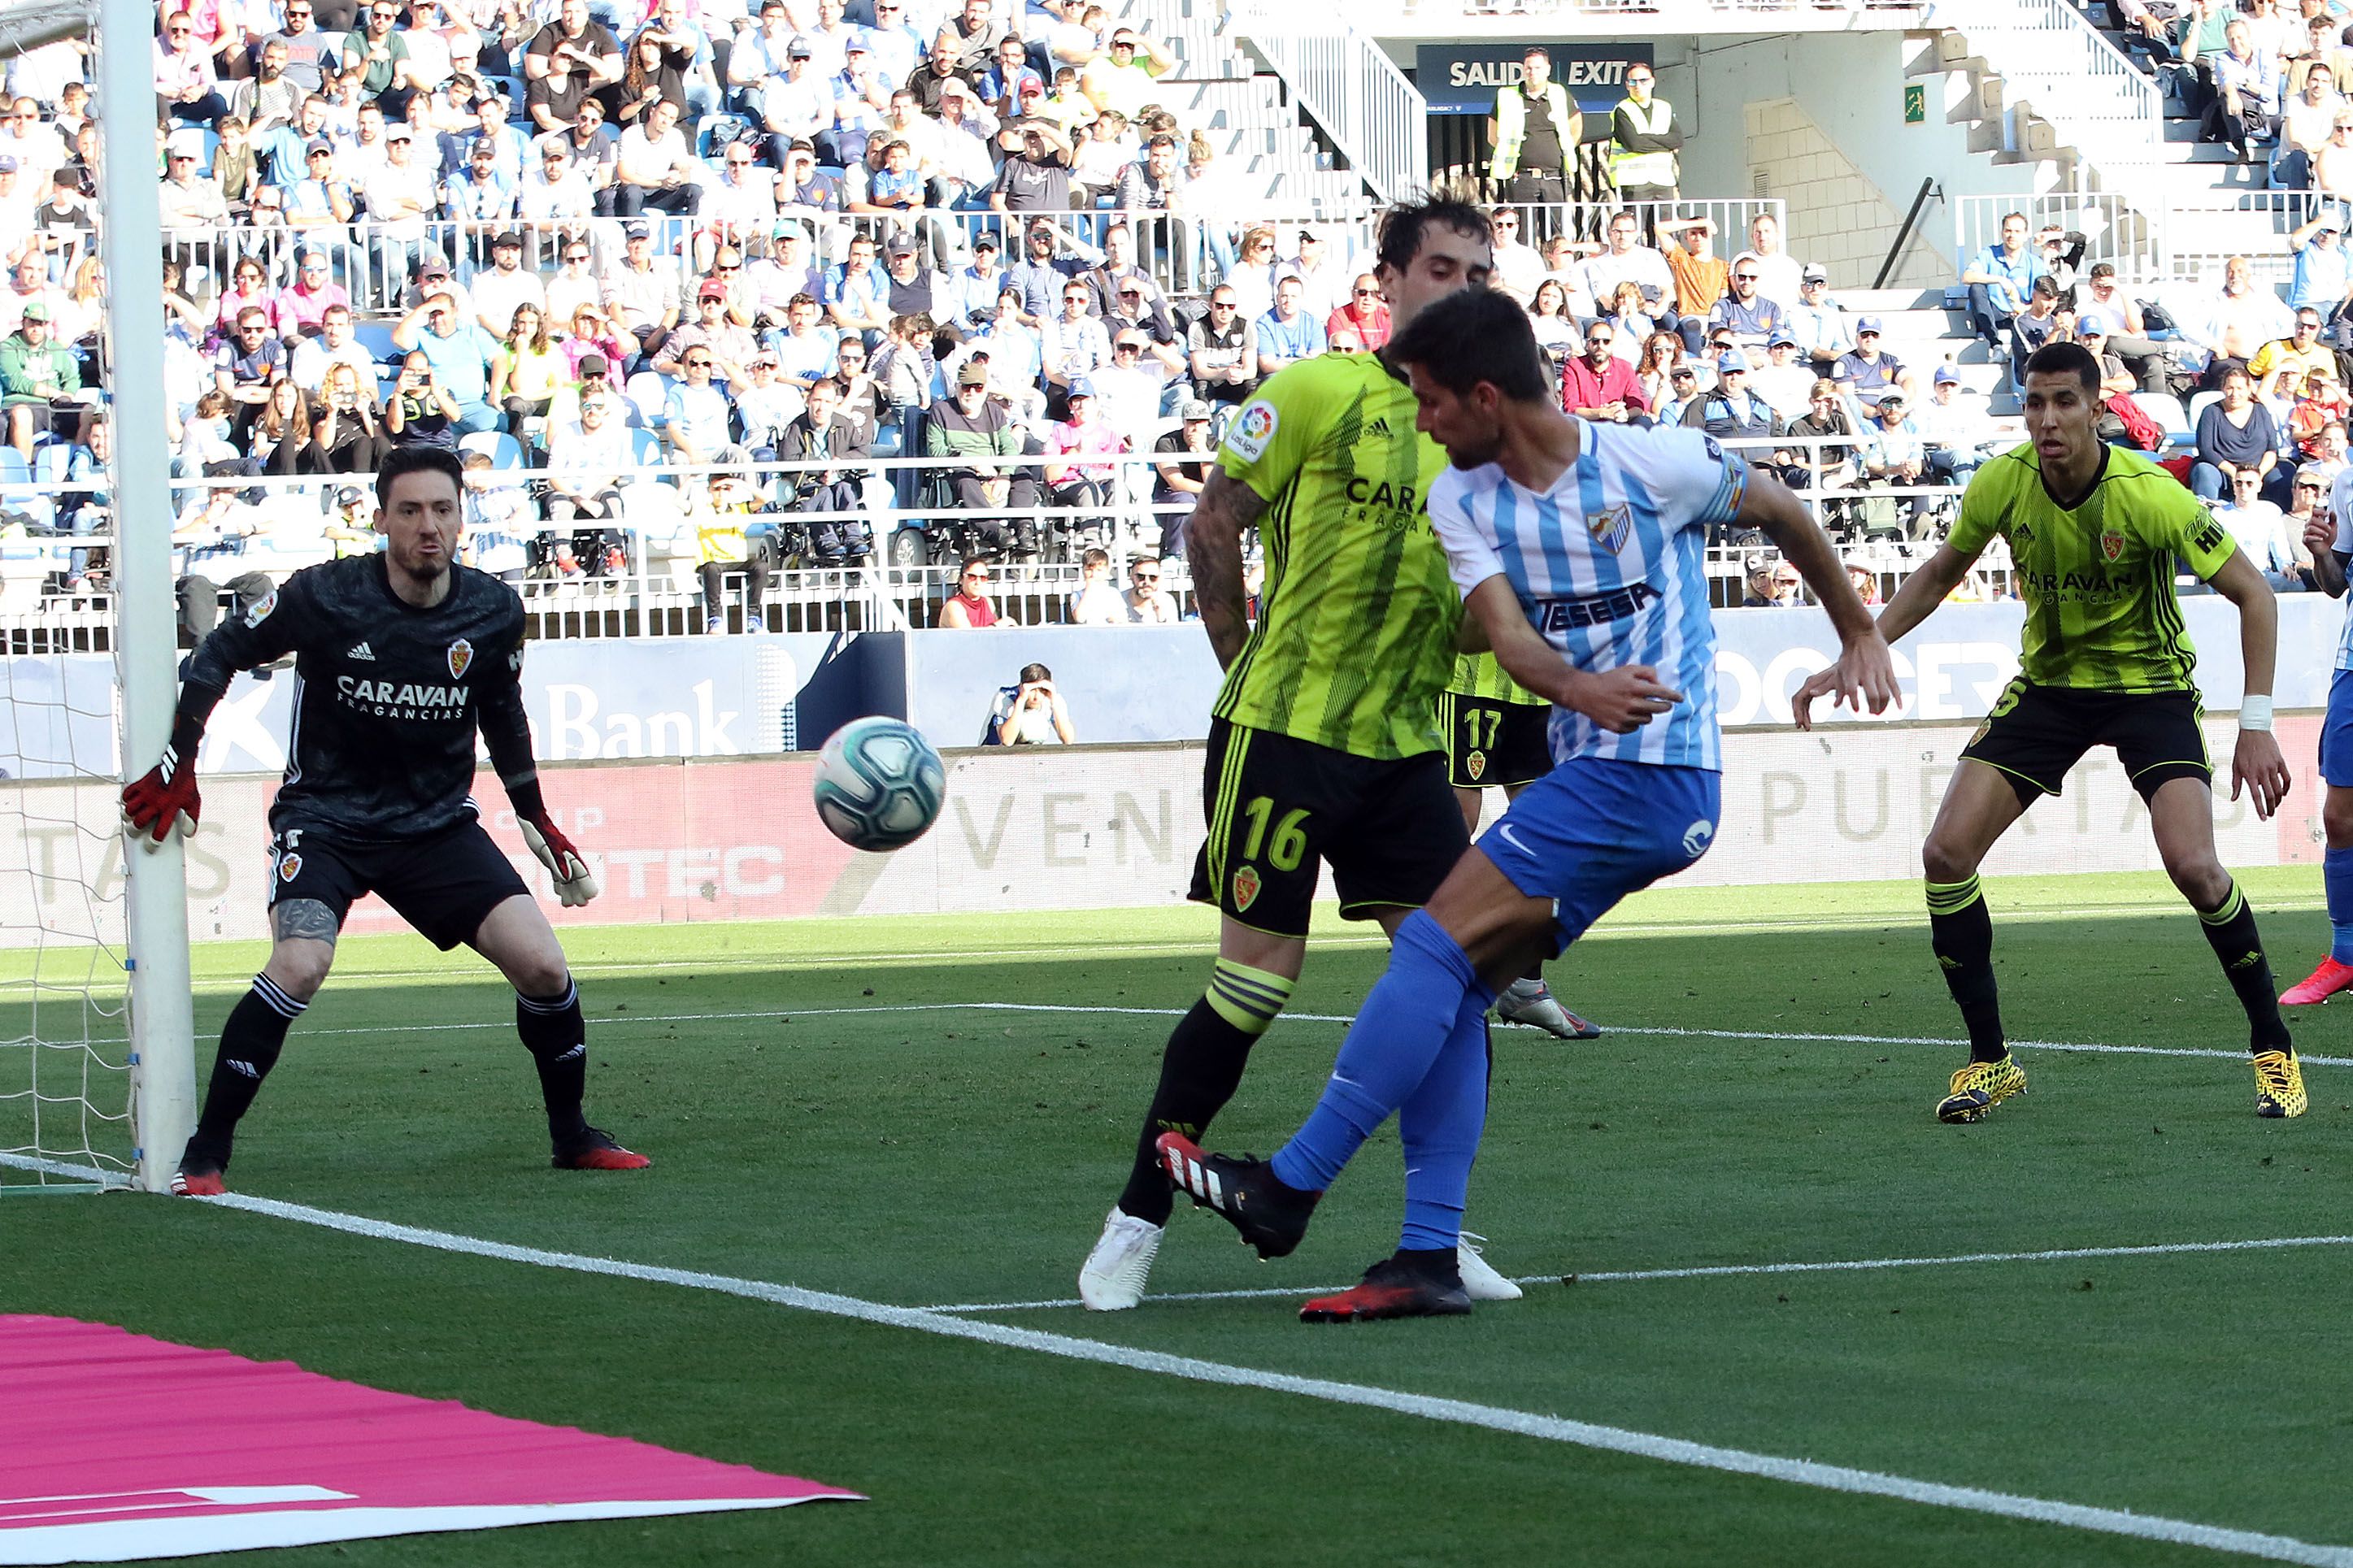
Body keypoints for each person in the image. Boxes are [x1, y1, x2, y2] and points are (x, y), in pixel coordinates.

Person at [1154, 287, 1894, 1320]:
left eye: (1429, 402)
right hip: (1604, 771)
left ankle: (1289, 1186)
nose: (1419, 423)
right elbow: (1505, 642)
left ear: (1485, 397)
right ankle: (1426, 1257)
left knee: (1427, 949)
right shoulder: (1464, 500)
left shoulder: (1653, 463)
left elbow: (1779, 507)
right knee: (1456, 983)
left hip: (1651, 776)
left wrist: (1857, 631)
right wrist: (1578, 689)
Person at [1076, 196, 1525, 1316]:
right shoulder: (1318, 390)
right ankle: (1136, 1217)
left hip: (1406, 746)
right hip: (1283, 734)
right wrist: (1244, 672)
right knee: (1253, 983)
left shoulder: (1483, 431)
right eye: (1440, 268)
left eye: (1478, 273)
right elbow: (1211, 524)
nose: (1460, 289)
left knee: (1455, 979)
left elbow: (1469, 617)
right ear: (1389, 280)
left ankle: (1433, 1237)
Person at [1791, 341, 2302, 1124]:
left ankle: (2274, 1046)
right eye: (2034, 402)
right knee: (1944, 855)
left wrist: (2257, 723)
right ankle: (1991, 1061)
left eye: (2065, 401)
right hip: (2051, 689)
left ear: (2097, 410)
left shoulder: (2150, 495)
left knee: (2196, 867)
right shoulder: (2003, 481)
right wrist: (1862, 644)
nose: (2047, 418)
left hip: (2148, 689)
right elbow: (1939, 574)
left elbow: (2254, 594)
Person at [120, 446, 647, 1197]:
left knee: (544, 966)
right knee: (300, 962)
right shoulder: (326, 594)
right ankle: (206, 1150)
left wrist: (536, 817)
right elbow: (222, 650)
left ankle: (573, 1136)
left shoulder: (494, 610)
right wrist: (182, 760)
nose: (428, 525)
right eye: (410, 510)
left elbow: (503, 714)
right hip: (325, 820)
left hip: (435, 828)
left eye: (442, 509)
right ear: (381, 520)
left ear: (462, 519)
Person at [1437, 649, 1598, 1041]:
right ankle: (1437, 972)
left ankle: (1525, 986)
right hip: (1470, 683)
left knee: (1547, 834)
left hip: (1538, 688)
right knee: (1454, 827)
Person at [1960, 211, 2040, 362]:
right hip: (1994, 314)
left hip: (2021, 314)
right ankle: (1996, 346)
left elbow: (2044, 296)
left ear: (2025, 235)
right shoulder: (1989, 254)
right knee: (1976, 288)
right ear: (2002, 233)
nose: (2012, 235)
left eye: (2017, 231)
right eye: (2008, 230)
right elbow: (1966, 277)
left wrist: (2024, 308)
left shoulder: (2034, 263)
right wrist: (2000, 280)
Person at [1607, 61, 1680, 205]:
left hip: (1663, 179)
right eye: (1633, 82)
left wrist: (1645, 138)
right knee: (1636, 221)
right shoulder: (1622, 109)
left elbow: (1677, 140)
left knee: (1665, 220)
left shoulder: (1664, 107)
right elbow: (1634, 144)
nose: (1638, 85)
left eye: (1643, 80)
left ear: (1653, 82)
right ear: (1627, 85)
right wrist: (1664, 145)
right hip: (1633, 180)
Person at [995, 662, 1075, 744]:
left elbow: (1068, 740)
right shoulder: (1005, 697)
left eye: (1042, 690)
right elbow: (1007, 741)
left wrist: (1054, 702)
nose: (1036, 697)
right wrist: (1021, 701)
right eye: (1032, 690)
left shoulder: (1051, 699)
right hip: (993, 749)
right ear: (1021, 687)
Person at [1067, 546, 1125, 624]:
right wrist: (1088, 589)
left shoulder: (1113, 593)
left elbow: (1122, 619)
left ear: (1107, 571)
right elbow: (1079, 618)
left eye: (1099, 570)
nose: (1094, 574)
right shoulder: (1077, 595)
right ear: (1083, 571)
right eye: (1089, 570)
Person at [937, 555, 997, 627]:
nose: (978, 582)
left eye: (983, 578)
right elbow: (968, 633)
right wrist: (996, 625)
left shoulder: (988, 602)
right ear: (961, 579)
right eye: (972, 577)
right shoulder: (953, 606)